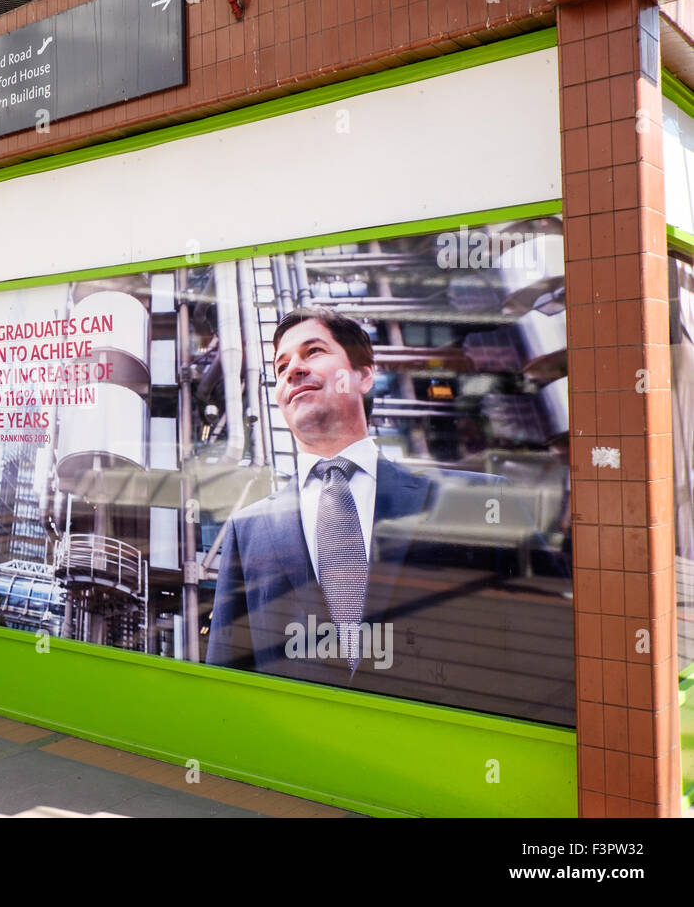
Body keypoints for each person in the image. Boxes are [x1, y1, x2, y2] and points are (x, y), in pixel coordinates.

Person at [205, 307, 571, 720]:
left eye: (313, 351)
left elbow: (555, 646)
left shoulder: (482, 502)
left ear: (363, 376)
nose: (293, 370)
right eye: (282, 366)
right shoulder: (247, 530)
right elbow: (227, 685)